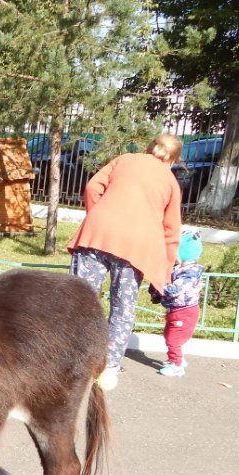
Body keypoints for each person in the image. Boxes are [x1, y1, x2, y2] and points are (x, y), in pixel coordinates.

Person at [67, 134, 183, 391]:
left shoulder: (125, 159)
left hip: (97, 234)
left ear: (150, 146)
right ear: (173, 159)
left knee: (79, 297)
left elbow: (92, 188)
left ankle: (70, 357)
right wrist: (164, 271)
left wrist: (100, 214)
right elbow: (171, 230)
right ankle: (108, 366)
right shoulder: (170, 182)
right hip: (137, 247)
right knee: (123, 307)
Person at [149, 231, 204, 377]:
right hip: (176, 311)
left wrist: (160, 285)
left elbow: (176, 289)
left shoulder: (189, 273)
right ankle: (177, 358)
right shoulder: (181, 269)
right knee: (169, 336)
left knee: (173, 339)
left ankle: (177, 365)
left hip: (185, 313)